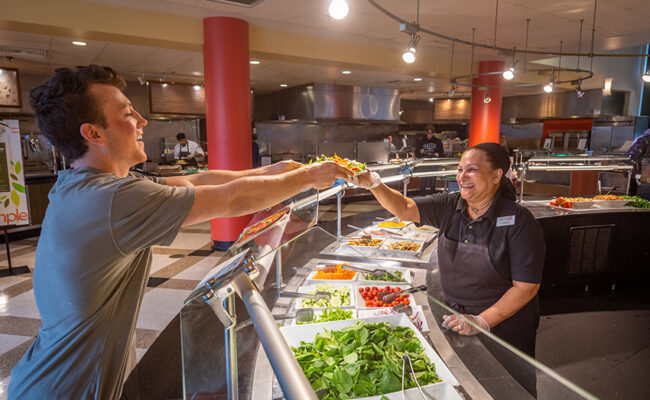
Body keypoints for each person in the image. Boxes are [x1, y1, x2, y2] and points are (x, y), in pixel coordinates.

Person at [7, 65, 353, 400]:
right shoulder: (112, 200)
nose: (142, 121)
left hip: (53, 376)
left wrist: (272, 170)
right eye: (128, 113)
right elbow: (231, 199)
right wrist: (309, 176)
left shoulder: (95, 185)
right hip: (65, 389)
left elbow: (197, 180)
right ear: (93, 133)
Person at [356, 142, 545, 395]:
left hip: (504, 327)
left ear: (497, 175)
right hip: (457, 320)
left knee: (507, 390)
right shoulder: (450, 205)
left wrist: (481, 321)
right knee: (468, 387)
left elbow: (526, 288)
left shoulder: (519, 222)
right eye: (459, 169)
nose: (462, 176)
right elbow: (404, 208)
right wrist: (374, 184)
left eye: (472, 170)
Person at [416, 125, 444, 196]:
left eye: (431, 133)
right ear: (426, 133)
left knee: (433, 181)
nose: (430, 135)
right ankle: (422, 196)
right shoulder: (421, 141)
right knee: (423, 181)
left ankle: (432, 197)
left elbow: (442, 152)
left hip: (433, 164)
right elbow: (416, 154)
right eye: (428, 133)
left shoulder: (438, 141)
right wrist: (420, 151)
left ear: (433, 133)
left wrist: (438, 154)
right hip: (424, 164)